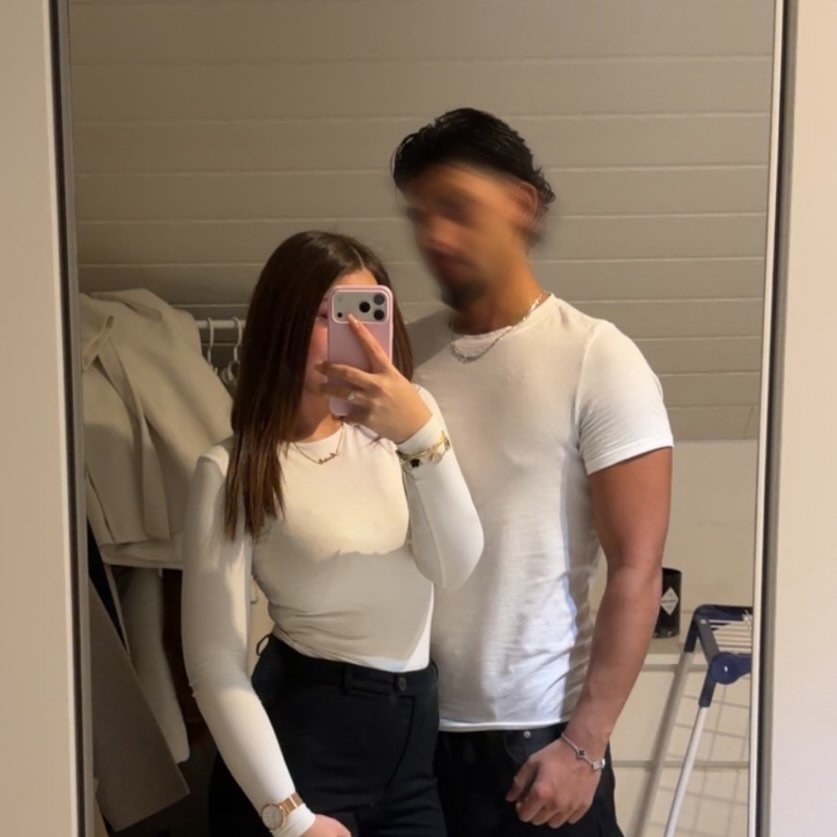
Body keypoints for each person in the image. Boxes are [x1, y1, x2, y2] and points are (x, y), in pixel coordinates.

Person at [392, 108, 674, 835]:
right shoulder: (402, 359)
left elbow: (638, 570)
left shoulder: (597, 357)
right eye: (420, 216)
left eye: (456, 208)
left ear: (522, 204)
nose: (434, 236)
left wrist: (584, 745)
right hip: (404, 727)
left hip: (535, 746)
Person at [181, 230, 483, 837]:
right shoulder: (232, 468)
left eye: (367, 313)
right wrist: (290, 818)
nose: (354, 334)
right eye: (327, 316)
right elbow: (214, 663)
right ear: (282, 324)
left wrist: (420, 436)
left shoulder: (411, 425)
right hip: (302, 752)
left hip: (410, 756)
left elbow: (454, 566)